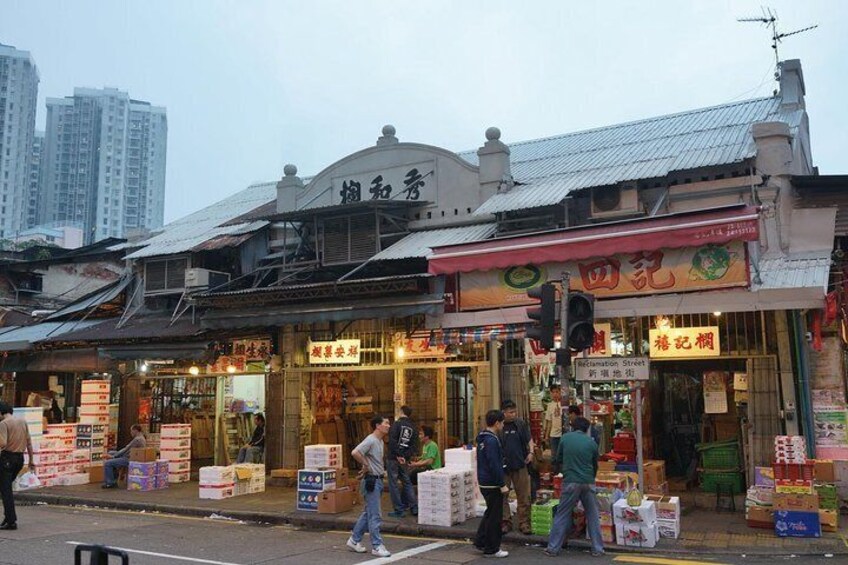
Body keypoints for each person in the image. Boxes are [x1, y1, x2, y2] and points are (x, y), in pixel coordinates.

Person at [544, 417, 604, 557]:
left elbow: (558, 459)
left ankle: (553, 548)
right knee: (593, 514)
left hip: (570, 480)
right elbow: (595, 465)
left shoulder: (565, 438)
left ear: (573, 427)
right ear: (587, 429)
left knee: (562, 513)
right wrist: (591, 477)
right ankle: (598, 548)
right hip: (588, 481)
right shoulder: (592, 443)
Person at [347, 414, 392, 558]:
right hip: (371, 481)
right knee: (375, 515)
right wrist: (366, 464)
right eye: (386, 423)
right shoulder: (371, 440)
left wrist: (369, 466)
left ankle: (354, 540)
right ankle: (377, 546)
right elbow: (355, 452)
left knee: (368, 513)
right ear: (378, 426)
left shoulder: (379, 441)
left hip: (377, 480)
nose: (388, 426)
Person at [474, 409, 509, 559]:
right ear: (496, 423)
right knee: (495, 517)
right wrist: (502, 484)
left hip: (483, 481)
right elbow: (495, 464)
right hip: (492, 483)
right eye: (502, 422)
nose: (503, 425)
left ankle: (481, 540)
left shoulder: (482, 438)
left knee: (490, 513)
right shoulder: (492, 440)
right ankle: (492, 548)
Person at [500, 399, 534, 535]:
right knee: (503, 496)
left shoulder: (520, 424)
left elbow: (529, 439)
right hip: (503, 467)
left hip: (520, 465)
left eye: (514, 412)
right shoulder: (499, 425)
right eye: (510, 412)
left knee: (523, 495)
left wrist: (531, 452)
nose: (513, 414)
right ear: (503, 412)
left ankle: (524, 523)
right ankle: (506, 522)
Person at [0, 402, 34, 530]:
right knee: (5, 489)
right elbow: (29, 443)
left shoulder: (3, 424)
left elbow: (2, 443)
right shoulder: (22, 421)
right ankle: (8, 518)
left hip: (7, 459)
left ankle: (11, 521)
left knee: (6, 491)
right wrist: (31, 460)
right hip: (20, 459)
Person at [387, 405, 418, 518]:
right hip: (404, 459)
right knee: (406, 481)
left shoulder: (396, 424)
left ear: (401, 412)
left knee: (393, 483)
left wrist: (398, 455)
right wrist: (404, 456)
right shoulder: (413, 427)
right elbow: (414, 446)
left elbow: (392, 441)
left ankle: (399, 509)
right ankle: (414, 506)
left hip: (393, 458)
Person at [102, 424, 146, 489]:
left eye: (131, 431)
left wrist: (114, 456)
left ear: (135, 430)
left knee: (108, 463)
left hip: (129, 458)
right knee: (111, 453)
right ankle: (113, 479)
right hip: (130, 455)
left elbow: (126, 449)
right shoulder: (141, 438)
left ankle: (110, 482)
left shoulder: (137, 439)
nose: (130, 433)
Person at [543, 385, 563, 474]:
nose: (555, 394)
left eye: (557, 392)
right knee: (554, 457)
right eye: (553, 392)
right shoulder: (550, 405)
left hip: (564, 434)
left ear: (560, 393)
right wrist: (546, 436)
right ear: (550, 394)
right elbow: (549, 422)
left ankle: (563, 474)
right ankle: (556, 475)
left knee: (563, 456)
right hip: (553, 435)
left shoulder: (565, 404)